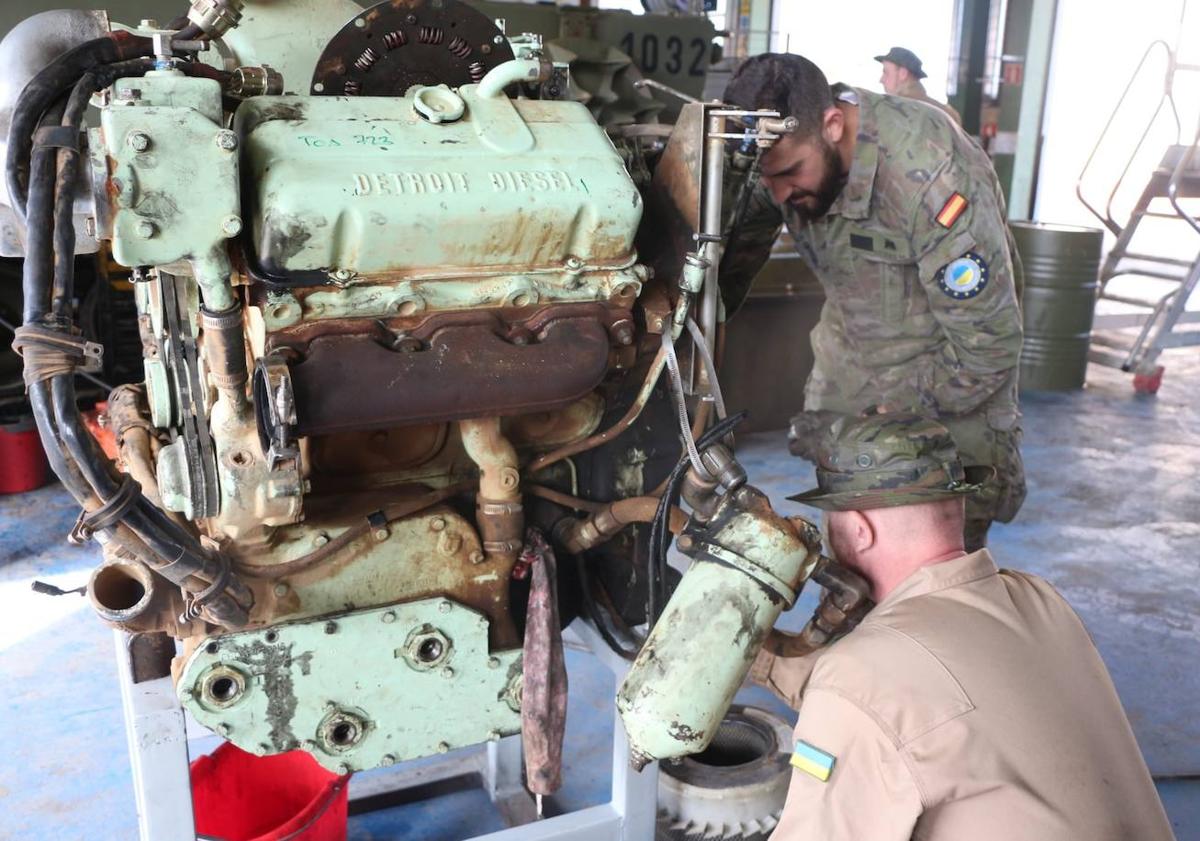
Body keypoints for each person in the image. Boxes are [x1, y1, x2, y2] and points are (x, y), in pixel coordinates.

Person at [748, 412, 1175, 841]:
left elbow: (874, 697)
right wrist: (751, 656)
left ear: (860, 531)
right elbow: (900, 700)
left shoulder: (863, 678)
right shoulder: (1038, 599)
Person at [720, 53, 1024, 551]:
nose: (776, 195)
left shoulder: (928, 172)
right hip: (854, 371)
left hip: (949, 396)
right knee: (853, 564)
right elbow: (728, 262)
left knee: (931, 581)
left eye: (791, 173)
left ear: (834, 125)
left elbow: (988, 346)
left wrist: (892, 410)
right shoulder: (778, 150)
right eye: (767, 179)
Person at [875, 46, 962, 124]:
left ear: (903, 74)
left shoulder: (891, 111)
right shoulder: (950, 114)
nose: (881, 80)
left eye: (886, 72)